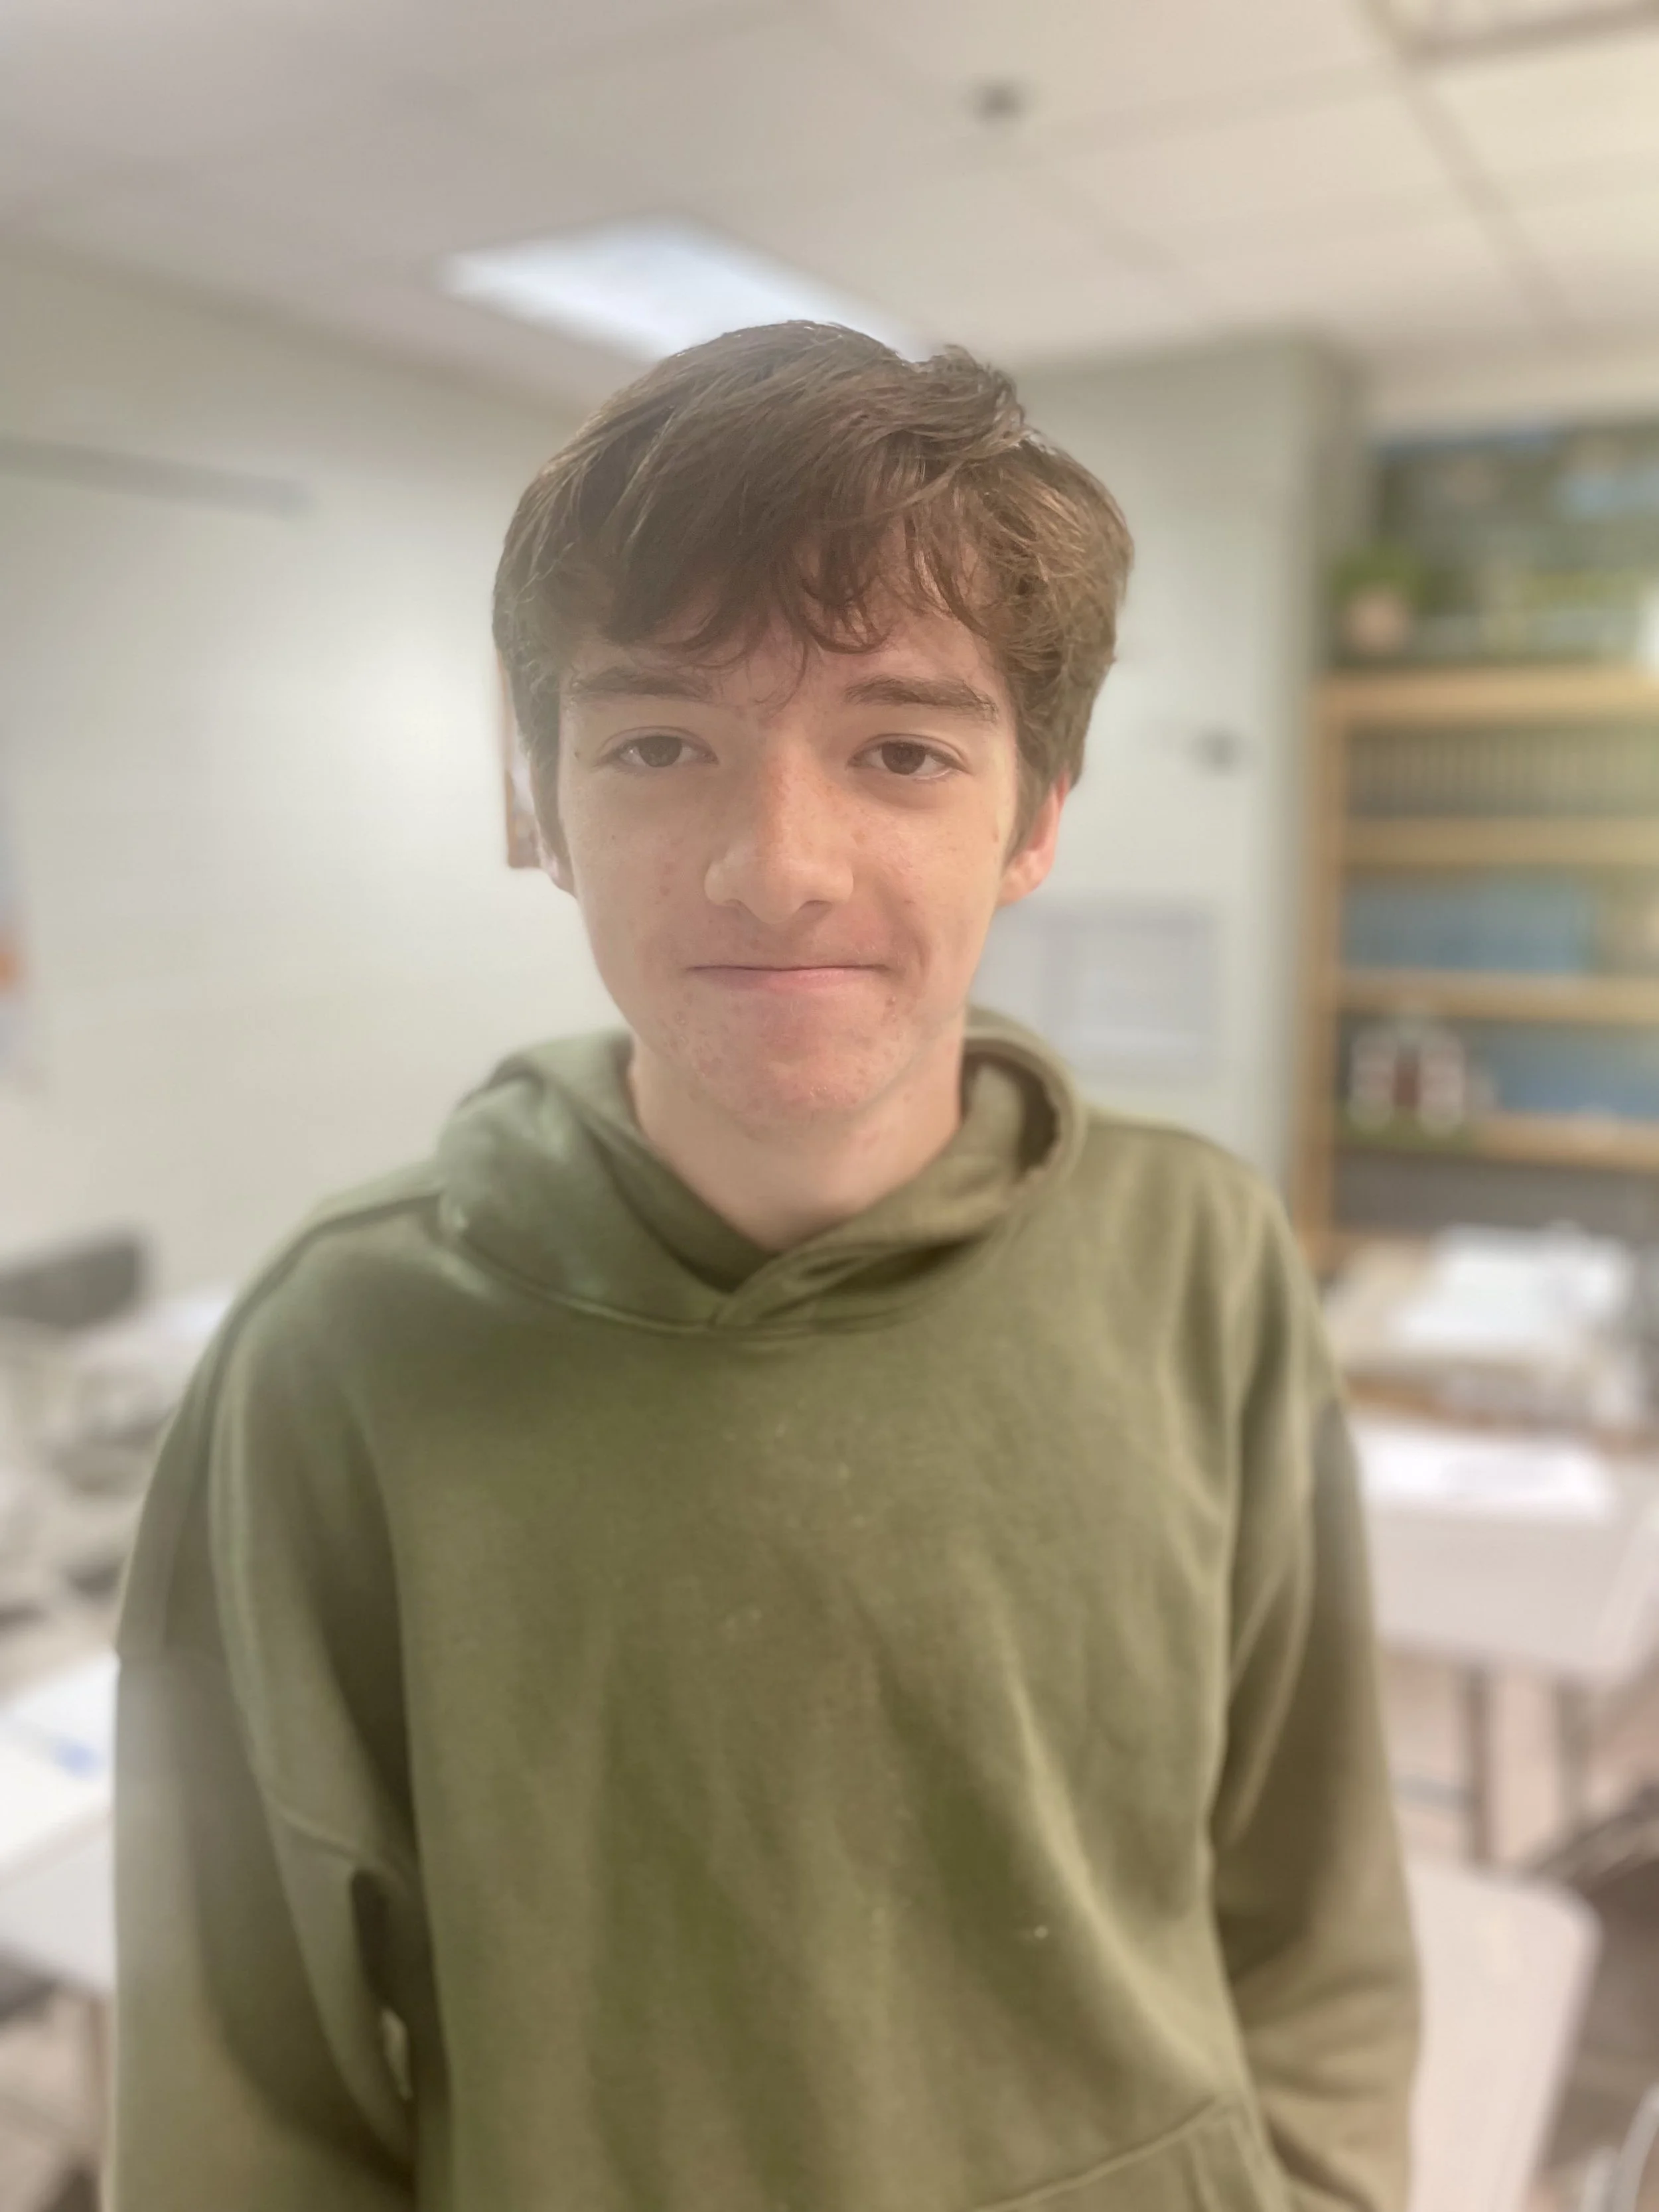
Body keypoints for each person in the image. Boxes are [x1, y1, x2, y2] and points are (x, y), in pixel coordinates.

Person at [112, 321, 1419, 2211]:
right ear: (532, 806)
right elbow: (241, 2101)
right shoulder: (343, 1354)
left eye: (897, 746)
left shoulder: (1200, 1259)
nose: (774, 861)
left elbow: (1314, 1914)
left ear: (1035, 814)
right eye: (658, 740)